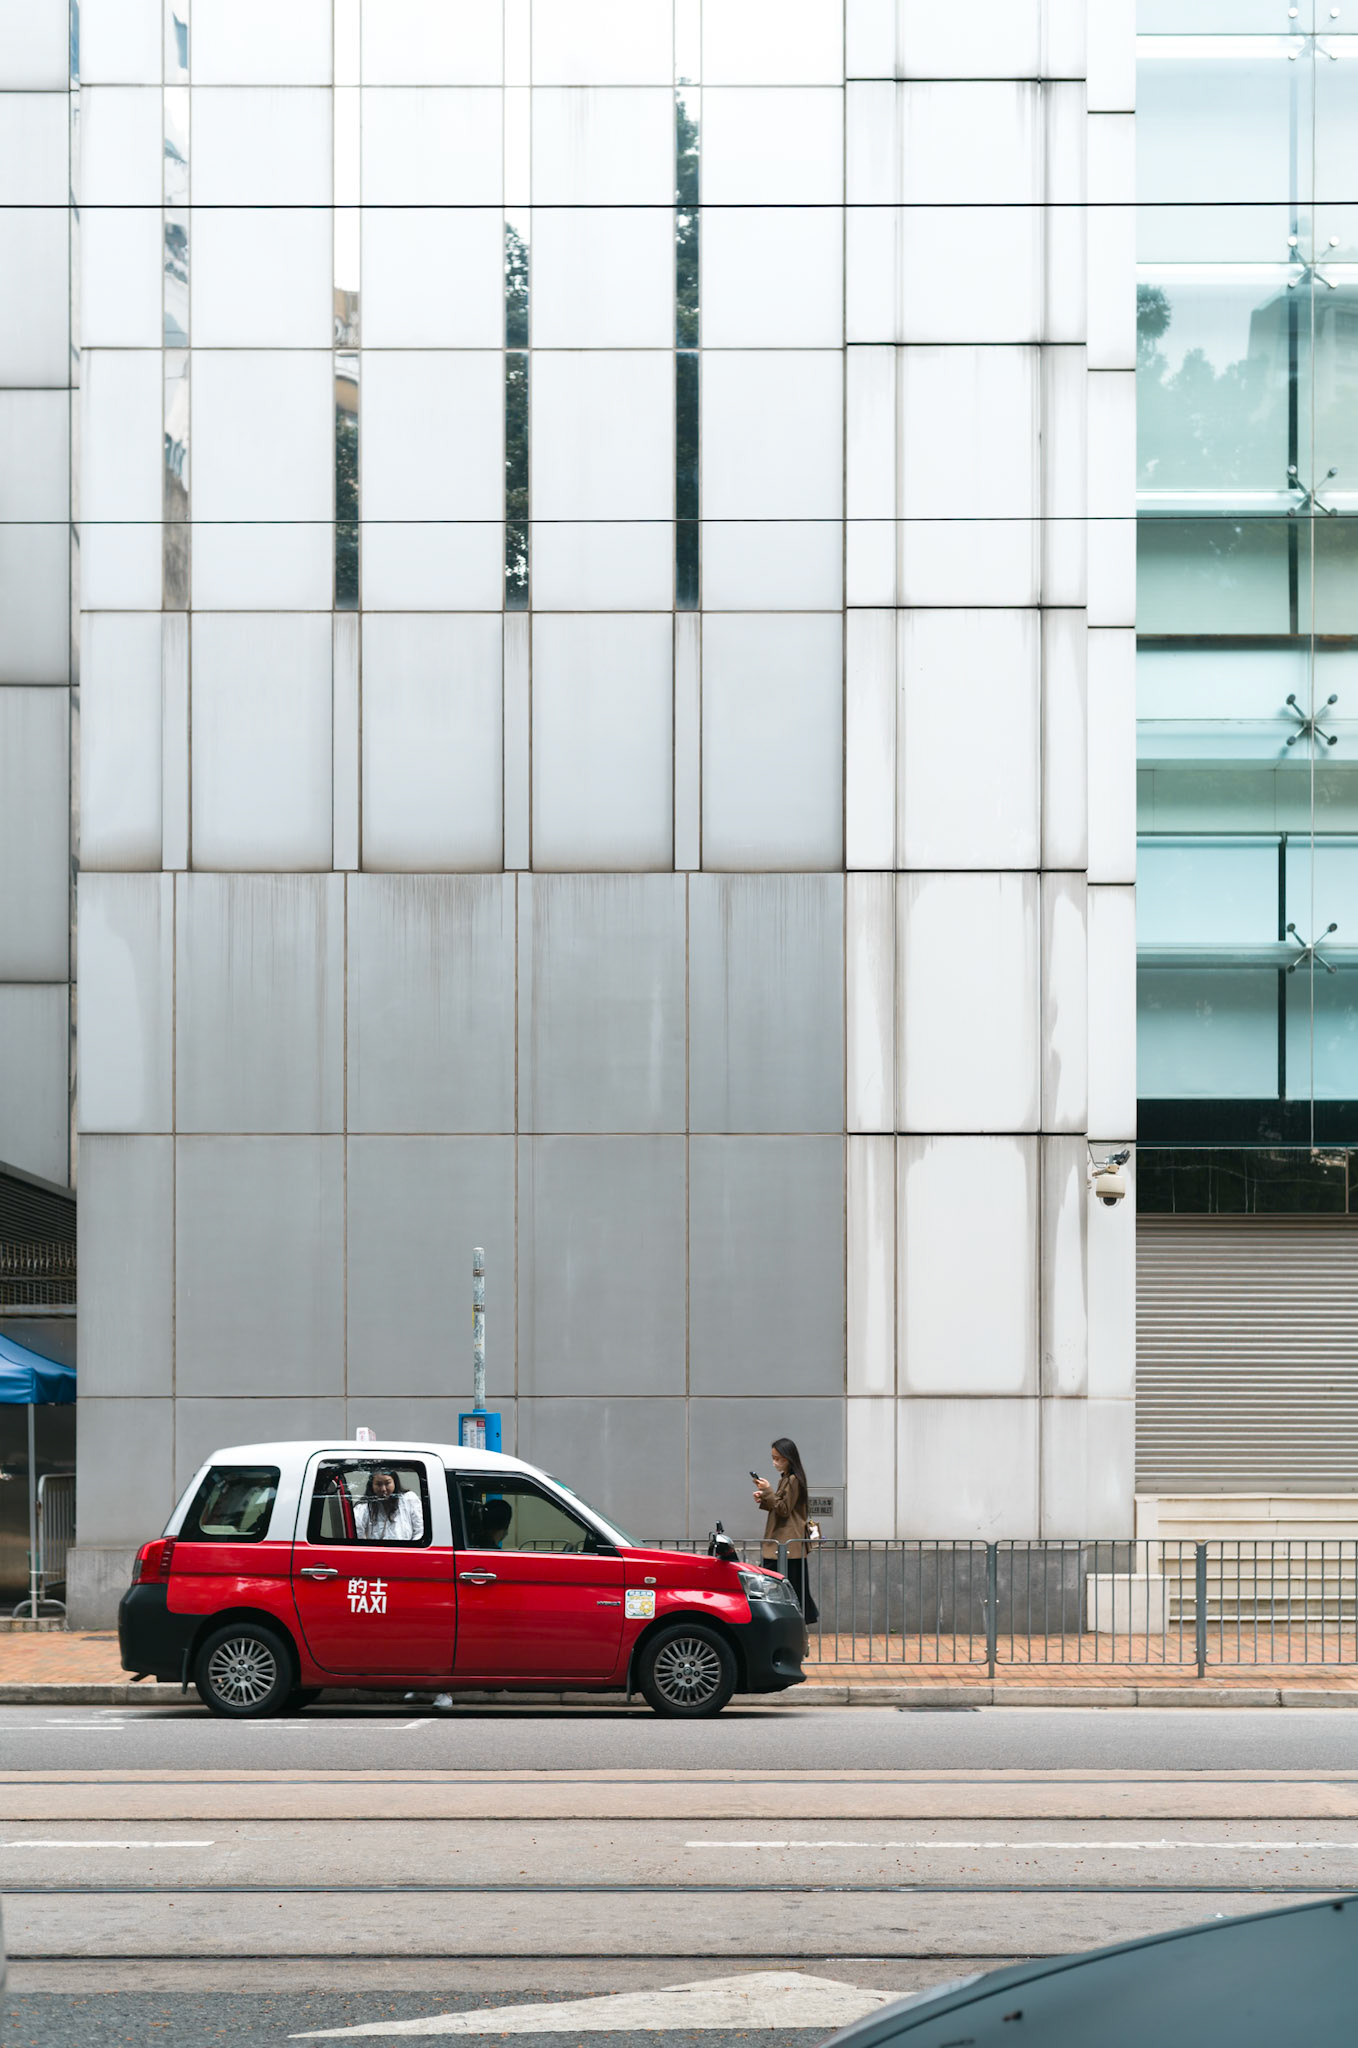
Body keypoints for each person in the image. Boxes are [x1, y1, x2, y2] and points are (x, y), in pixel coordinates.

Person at [753, 1438, 819, 1623]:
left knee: (788, 1588)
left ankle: (795, 1624)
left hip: (787, 1544)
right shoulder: (786, 1479)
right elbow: (779, 1505)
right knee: (790, 1588)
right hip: (783, 1543)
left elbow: (783, 1509)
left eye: (778, 1458)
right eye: (773, 1458)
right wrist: (764, 1496)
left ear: (789, 1458)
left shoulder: (793, 1480)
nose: (775, 1463)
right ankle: (795, 1623)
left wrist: (768, 1491)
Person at [354, 1468, 424, 1543]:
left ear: (394, 1482)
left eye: (387, 1483)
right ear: (372, 1485)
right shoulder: (363, 1507)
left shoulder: (409, 1499)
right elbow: (358, 1533)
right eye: (378, 1484)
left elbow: (420, 1530)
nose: (383, 1489)